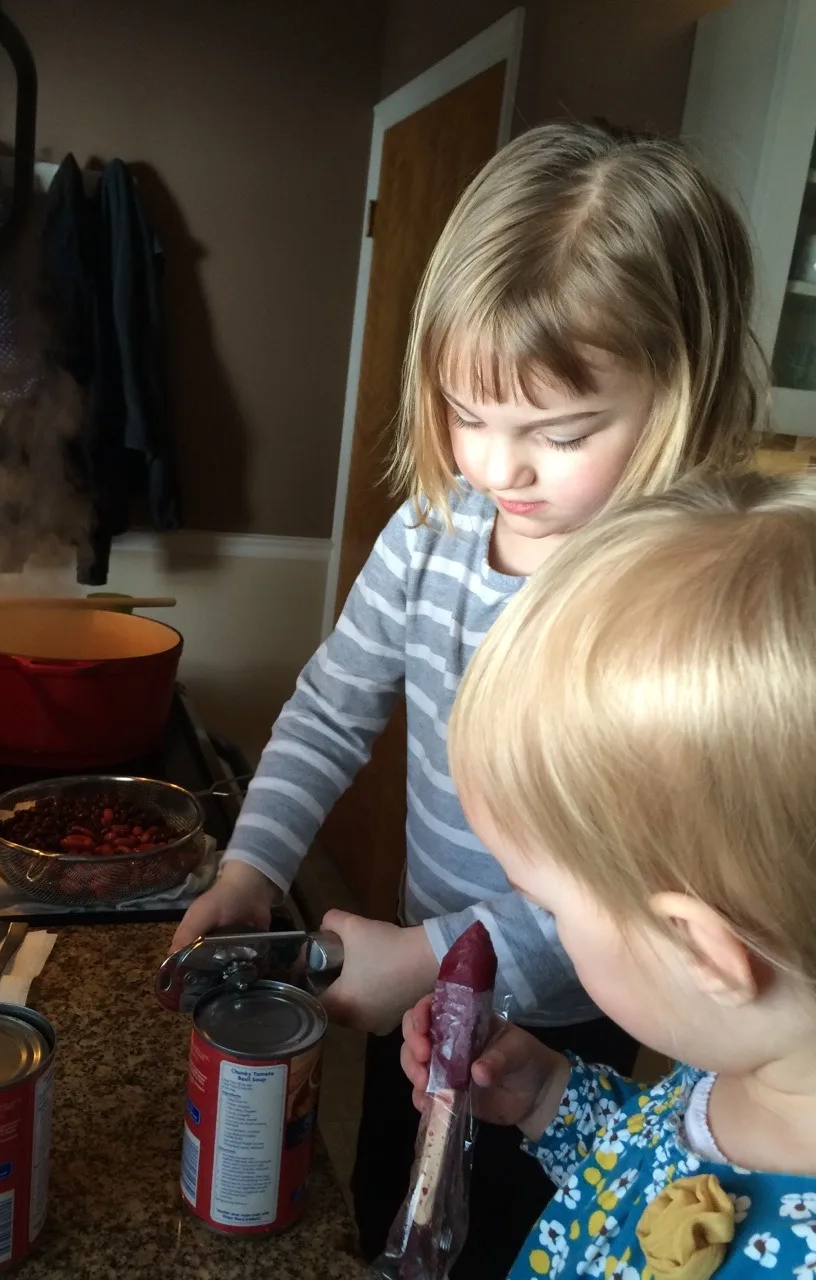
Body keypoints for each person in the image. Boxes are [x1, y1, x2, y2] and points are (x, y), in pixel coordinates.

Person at [171, 121, 764, 1275]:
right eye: (468, 413)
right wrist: (253, 863)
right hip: (421, 964)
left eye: (562, 431)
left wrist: (439, 952)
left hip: (570, 992)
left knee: (508, 1232)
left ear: (678, 387)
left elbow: (646, 887)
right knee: (399, 1191)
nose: (501, 469)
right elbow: (335, 702)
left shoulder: (670, 602)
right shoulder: (433, 532)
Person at [402, 469, 816, 1279]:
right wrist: (544, 1095)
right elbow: (651, 1161)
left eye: (551, 907)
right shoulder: (745, 1065)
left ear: (697, 950)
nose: (540, 921)